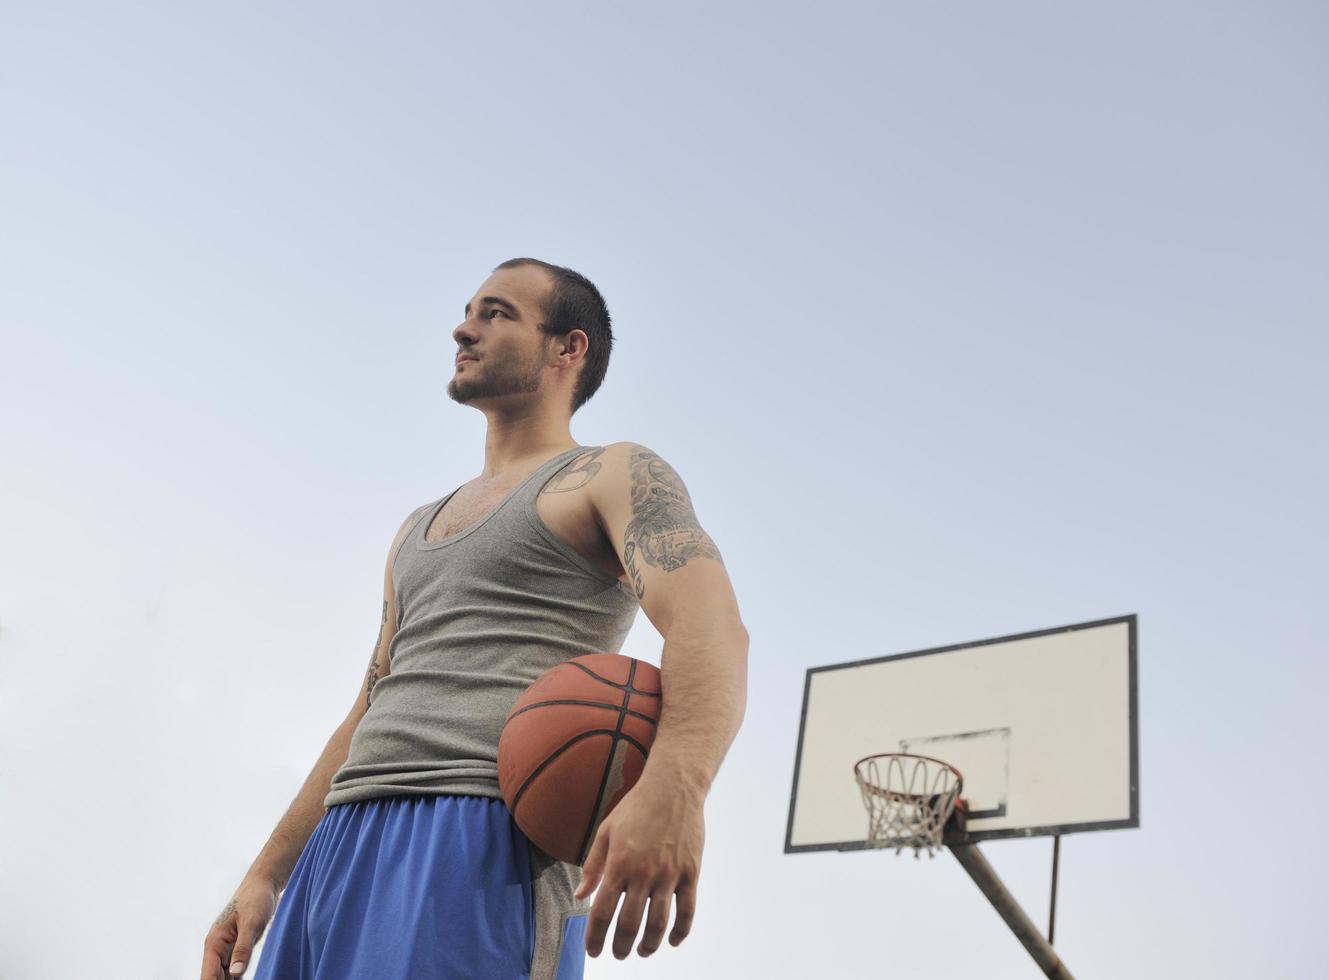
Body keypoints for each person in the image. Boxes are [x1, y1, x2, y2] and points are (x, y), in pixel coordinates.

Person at [199, 257, 750, 980]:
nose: (463, 328)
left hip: (481, 835)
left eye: (497, 313)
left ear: (567, 348)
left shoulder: (610, 474)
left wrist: (676, 786)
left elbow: (710, 627)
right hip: (340, 844)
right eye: (469, 311)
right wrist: (267, 873)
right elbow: (372, 700)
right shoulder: (415, 526)